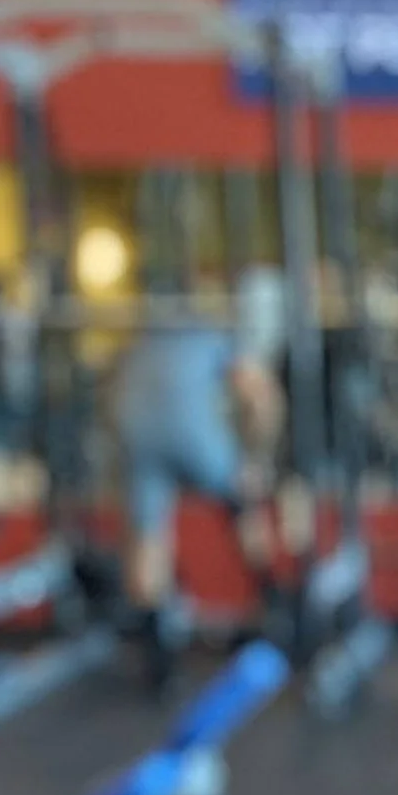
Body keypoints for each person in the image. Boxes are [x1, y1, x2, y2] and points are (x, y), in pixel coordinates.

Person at [108, 268, 285, 681]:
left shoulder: (145, 340)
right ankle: (276, 607)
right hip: (189, 436)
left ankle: (159, 657)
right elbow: (258, 396)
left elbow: (114, 395)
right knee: (242, 501)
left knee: (148, 534)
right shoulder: (214, 335)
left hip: (136, 434)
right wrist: (256, 454)